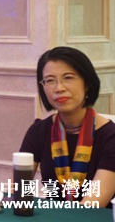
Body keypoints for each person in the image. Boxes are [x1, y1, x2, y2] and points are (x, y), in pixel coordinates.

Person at [19, 46, 115, 207]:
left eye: (68, 78)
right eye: (50, 80)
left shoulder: (110, 137)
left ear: (87, 83)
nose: (59, 88)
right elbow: (19, 190)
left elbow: (93, 204)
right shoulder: (39, 131)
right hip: (52, 214)